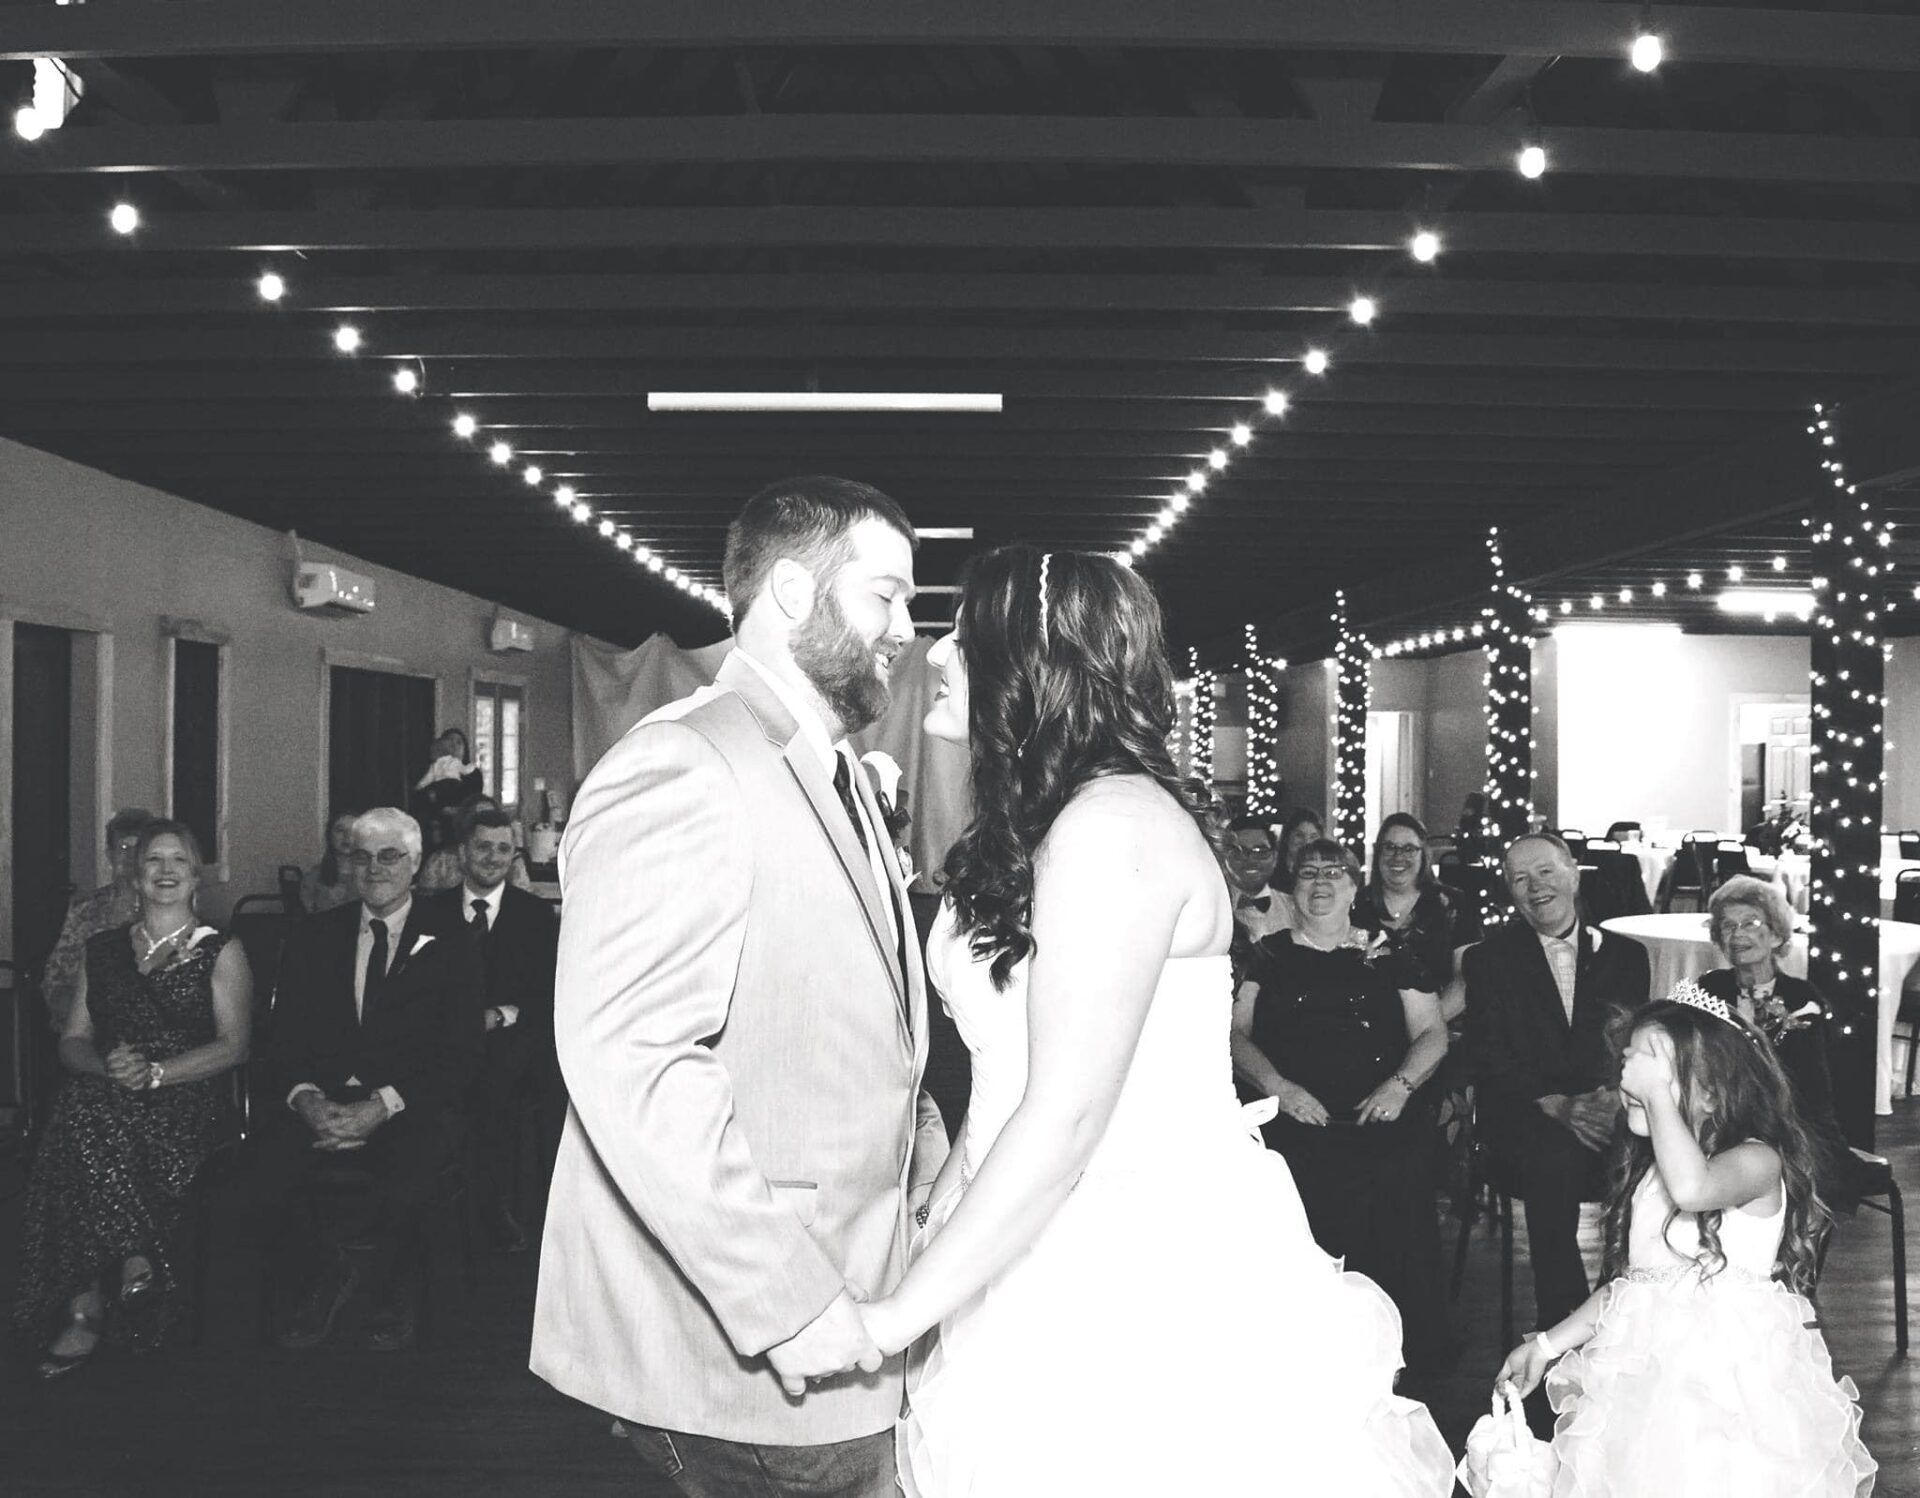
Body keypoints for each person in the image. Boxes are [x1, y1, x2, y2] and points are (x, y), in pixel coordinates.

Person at [857, 547, 1453, 1495]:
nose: (937, 655)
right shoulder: (1043, 828)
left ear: (1037, 668)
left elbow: (1067, 1116)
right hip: (1026, 1242)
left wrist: (885, 1324)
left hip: (1136, 1271)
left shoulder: (1113, 829)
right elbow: (1004, 1073)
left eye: (967, 639)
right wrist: (934, 1224)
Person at [531, 476, 950, 1498]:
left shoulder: (833, 767)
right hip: (757, 1338)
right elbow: (631, 1059)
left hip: (853, 1299)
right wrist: (789, 1303)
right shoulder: (682, 764)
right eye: (886, 596)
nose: (909, 632)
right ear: (795, 593)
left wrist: (919, 1121)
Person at [1496, 985, 1875, 1494]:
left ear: (1714, 1092)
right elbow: (1635, 1284)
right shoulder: (1653, 1175)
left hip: (1723, 1393)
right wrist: (1546, 1345)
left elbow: (1694, 1188)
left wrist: (1652, 1098)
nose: (1633, 1082)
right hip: (1644, 1383)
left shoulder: (1757, 1161)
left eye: (1656, 1071)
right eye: (1632, 1065)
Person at [13, 821, 252, 1377]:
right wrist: (110, 1067)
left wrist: (158, 1074)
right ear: (136, 877)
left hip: (187, 1096)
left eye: (178, 861)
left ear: (196, 877)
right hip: (112, 1088)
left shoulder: (221, 949)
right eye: (153, 862)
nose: (165, 871)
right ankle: (134, 1256)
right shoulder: (102, 950)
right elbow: (73, 1040)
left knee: (81, 1119)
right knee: (87, 1104)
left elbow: (236, 1047)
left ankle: (83, 1308)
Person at [252, 807, 482, 1353]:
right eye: (362, 856)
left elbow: (463, 1053)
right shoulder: (314, 935)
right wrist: (306, 1099)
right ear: (347, 864)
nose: (375, 868)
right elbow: (281, 1040)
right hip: (322, 1101)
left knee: (412, 1171)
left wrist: (382, 1105)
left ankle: (388, 1288)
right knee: (261, 1175)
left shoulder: (453, 939)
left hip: (409, 1104)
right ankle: (328, 1274)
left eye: (390, 856)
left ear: (417, 864)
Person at [1232, 835, 1454, 1371]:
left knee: (1398, 1178)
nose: (1322, 883)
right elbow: (1234, 1035)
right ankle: (1306, 1354)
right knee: (1288, 1181)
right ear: (1294, 887)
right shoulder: (1267, 956)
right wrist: (1279, 1088)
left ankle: (1397, 1352)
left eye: (1335, 873)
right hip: (1293, 1116)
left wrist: (1400, 1086)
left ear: (1356, 887)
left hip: (1380, 1114)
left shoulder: (1394, 953)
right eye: (1310, 873)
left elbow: (1432, 1032)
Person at [1461, 833, 1651, 1336]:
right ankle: (1563, 1325)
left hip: (1609, 1108)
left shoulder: (1627, 956)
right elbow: (1486, 1053)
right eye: (1519, 879)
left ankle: (1629, 1312)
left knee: (1656, 1158)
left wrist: (1613, 1095)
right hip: (1526, 1112)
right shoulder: (1488, 960)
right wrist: (1554, 1104)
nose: (1535, 887)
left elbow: (1635, 1041)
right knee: (1554, 1161)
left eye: (1544, 871)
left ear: (1571, 871)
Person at [424, 805, 560, 1252]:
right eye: (483, 846)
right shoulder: (431, 915)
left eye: (504, 849)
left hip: (508, 1044)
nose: (493, 857)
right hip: (441, 1041)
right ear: (462, 853)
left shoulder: (537, 918)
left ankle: (494, 1207)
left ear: (515, 856)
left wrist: (501, 1015)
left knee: (506, 1074)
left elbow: (549, 996)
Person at [1697, 875, 1860, 1213]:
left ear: (1775, 935)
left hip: (1790, 1121)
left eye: (1750, 923)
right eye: (1726, 926)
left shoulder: (1802, 997)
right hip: (1720, 1118)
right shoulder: (1708, 989)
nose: (1737, 934)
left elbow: (1812, 1087)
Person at [40, 807, 154, 1031]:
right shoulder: (85, 909)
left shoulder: (164, 906)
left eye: (138, 848)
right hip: (88, 1028)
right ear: (109, 855)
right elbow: (55, 980)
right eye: (123, 848)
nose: (130, 857)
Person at [1353, 812, 1476, 996]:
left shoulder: (1454, 904)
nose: (1398, 856)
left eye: (1409, 849)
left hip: (1443, 1019)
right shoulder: (1356, 904)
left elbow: (1465, 980)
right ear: (1378, 852)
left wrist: (1427, 1022)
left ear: (1423, 855)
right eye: (1389, 847)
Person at [417, 794, 533, 894]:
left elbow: (523, 900)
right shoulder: (440, 860)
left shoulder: (513, 860)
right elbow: (426, 901)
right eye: (477, 818)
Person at [1223, 813, 1291, 942]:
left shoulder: (1294, 908)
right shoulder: (1213, 908)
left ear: (1275, 857)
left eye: (1261, 852)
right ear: (1224, 857)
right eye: (1239, 852)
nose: (1251, 860)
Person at [299, 809, 360, 915]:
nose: (347, 836)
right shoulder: (314, 877)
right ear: (330, 835)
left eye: (354, 831)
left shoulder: (375, 875)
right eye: (340, 830)